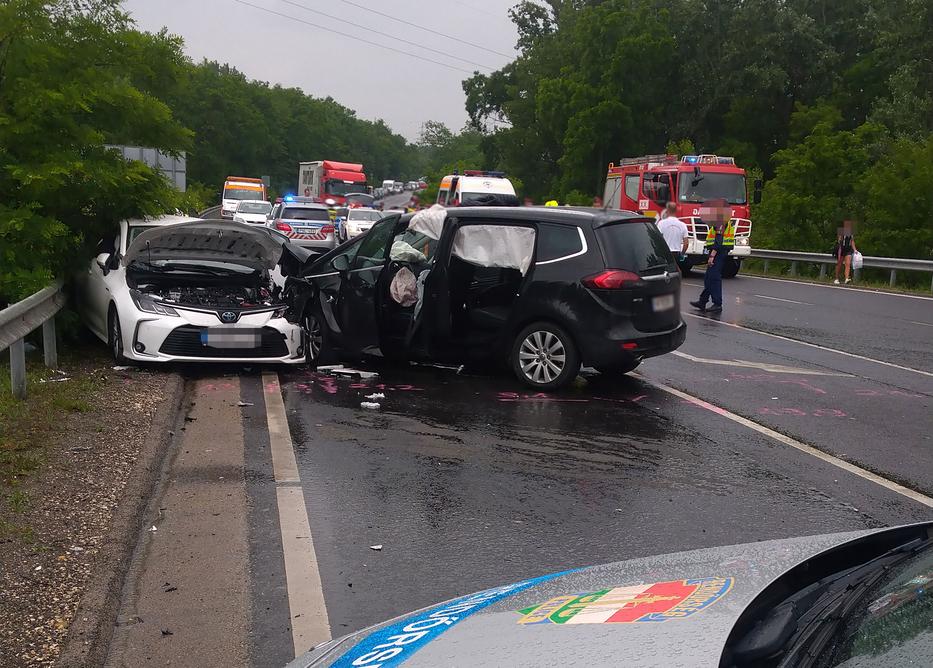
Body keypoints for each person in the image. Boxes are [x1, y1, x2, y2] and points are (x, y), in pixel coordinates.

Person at [690, 200, 734, 313]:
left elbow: (718, 241)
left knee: (714, 278)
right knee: (709, 278)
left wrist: (712, 256)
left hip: (718, 252)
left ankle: (717, 303)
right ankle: (703, 300)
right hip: (720, 251)